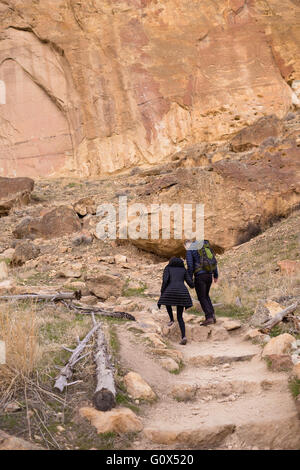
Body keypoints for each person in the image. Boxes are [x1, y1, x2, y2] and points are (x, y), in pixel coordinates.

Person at [157, 257, 194, 345]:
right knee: (180, 317)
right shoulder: (183, 269)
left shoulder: (168, 268)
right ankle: (184, 336)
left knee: (166, 301)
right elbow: (190, 283)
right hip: (182, 292)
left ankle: (171, 320)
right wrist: (194, 282)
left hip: (170, 290)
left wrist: (162, 292)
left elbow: (165, 281)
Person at [185, 240, 218, 326]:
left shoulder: (190, 250)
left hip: (200, 276)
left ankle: (209, 317)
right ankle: (212, 315)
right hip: (209, 275)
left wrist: (190, 279)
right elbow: (212, 260)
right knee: (206, 295)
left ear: (186, 245)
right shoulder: (204, 247)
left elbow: (190, 265)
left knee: (202, 297)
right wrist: (215, 275)